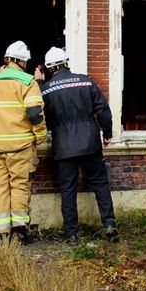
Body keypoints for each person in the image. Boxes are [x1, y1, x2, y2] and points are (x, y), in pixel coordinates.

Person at [37, 47, 117, 244]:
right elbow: (103, 111)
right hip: (90, 142)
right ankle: (109, 224)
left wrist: (38, 82)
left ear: (49, 68)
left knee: (68, 189)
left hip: (64, 146)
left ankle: (72, 234)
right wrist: (107, 133)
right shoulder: (86, 81)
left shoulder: (46, 90)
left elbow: (37, 111)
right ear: (67, 63)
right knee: (100, 184)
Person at [0, 41, 47, 244]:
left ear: (6, 61)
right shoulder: (28, 82)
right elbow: (35, 114)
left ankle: (1, 234)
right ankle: (19, 233)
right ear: (23, 62)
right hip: (20, 146)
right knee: (19, 186)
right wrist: (41, 135)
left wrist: (0, 75)